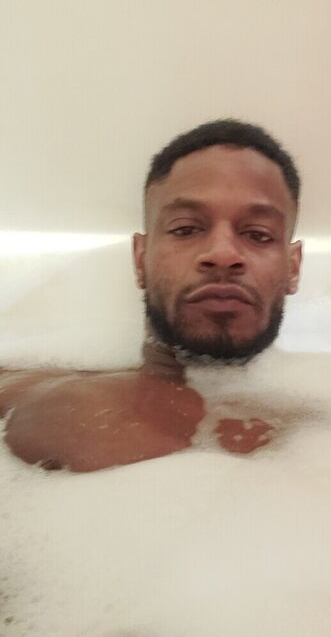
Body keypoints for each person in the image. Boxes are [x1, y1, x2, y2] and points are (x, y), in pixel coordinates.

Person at [0, 119, 302, 473]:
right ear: (140, 259)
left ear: (293, 268)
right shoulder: (31, 399)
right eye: (186, 229)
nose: (222, 253)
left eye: (258, 234)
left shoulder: (330, 435)